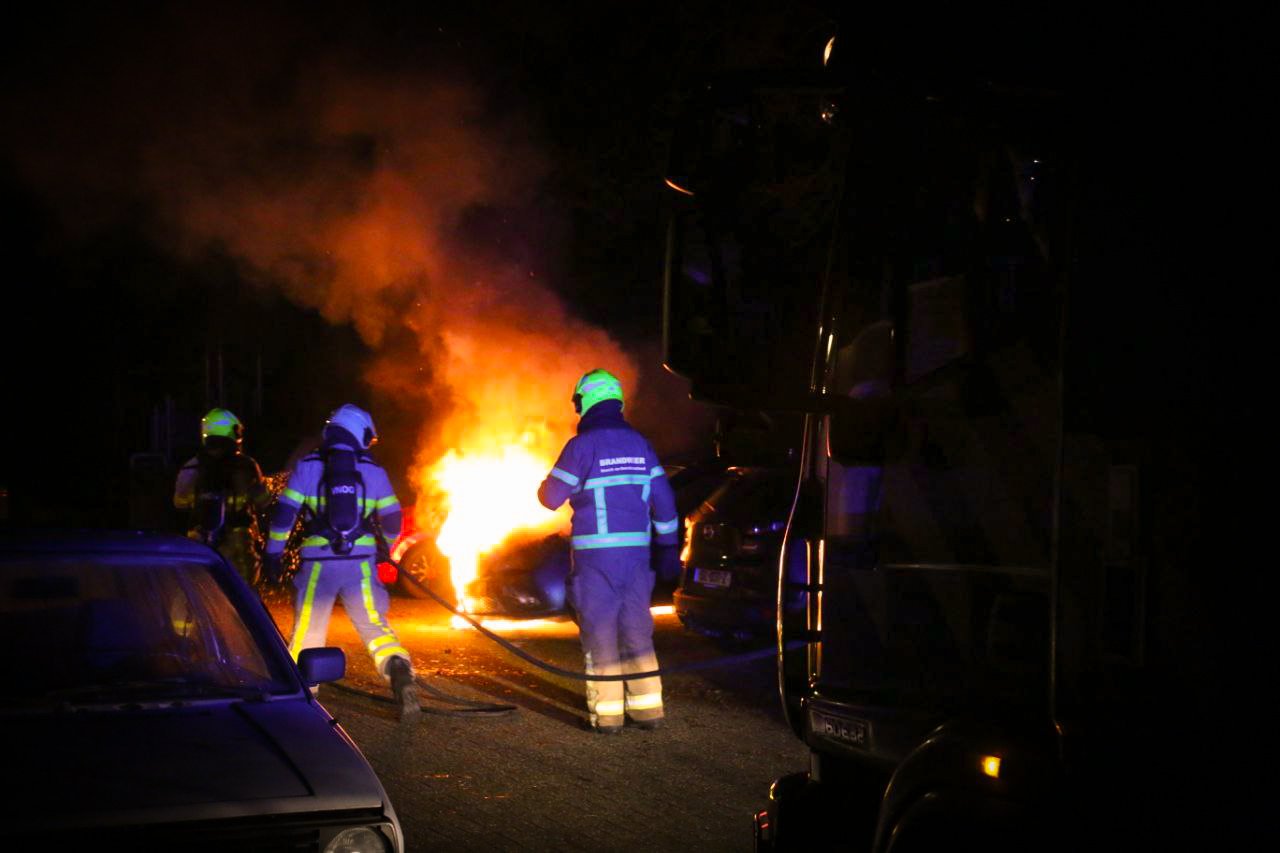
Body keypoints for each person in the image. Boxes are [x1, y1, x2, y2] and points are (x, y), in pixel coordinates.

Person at [537, 369, 680, 734]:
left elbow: (550, 499)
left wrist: (550, 482)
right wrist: (666, 548)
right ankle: (648, 712)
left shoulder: (582, 446)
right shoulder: (640, 444)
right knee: (636, 630)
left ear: (584, 402)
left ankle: (610, 718)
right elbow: (664, 503)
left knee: (600, 633)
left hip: (595, 558)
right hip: (637, 558)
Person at [262, 404, 419, 721]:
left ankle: (301, 700)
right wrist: (387, 549)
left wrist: (273, 553)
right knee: (373, 624)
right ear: (360, 432)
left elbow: (284, 514)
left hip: (318, 561)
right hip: (359, 561)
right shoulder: (373, 472)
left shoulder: (307, 466)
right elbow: (390, 518)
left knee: (309, 630)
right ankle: (397, 669)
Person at [174, 408, 269, 586]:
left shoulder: (192, 466)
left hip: (200, 541)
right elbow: (263, 500)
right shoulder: (247, 465)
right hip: (239, 543)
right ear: (233, 432)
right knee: (242, 595)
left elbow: (179, 502)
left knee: (200, 592)